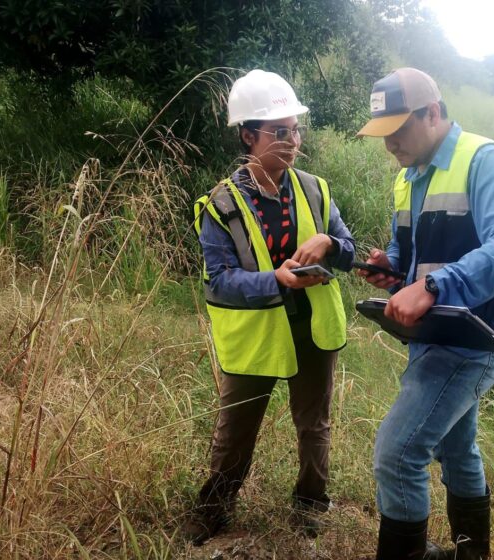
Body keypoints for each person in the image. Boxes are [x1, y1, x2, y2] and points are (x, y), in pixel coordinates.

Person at [356, 68, 494, 559]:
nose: (390, 144)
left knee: (398, 454)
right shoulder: (408, 176)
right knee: (456, 449)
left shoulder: (485, 160)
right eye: (382, 134)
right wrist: (392, 267)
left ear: (432, 113)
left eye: (398, 130)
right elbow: (410, 251)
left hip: (473, 338)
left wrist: (434, 286)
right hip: (434, 334)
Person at [182, 69, 356, 545]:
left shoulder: (316, 190)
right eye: (280, 132)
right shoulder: (219, 205)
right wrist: (275, 280)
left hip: (313, 328)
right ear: (248, 135)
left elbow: (350, 250)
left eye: (295, 130)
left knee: (314, 425)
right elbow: (220, 282)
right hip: (257, 335)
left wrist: (329, 244)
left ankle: (311, 504)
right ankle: (213, 510)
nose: (292, 142)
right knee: (235, 430)